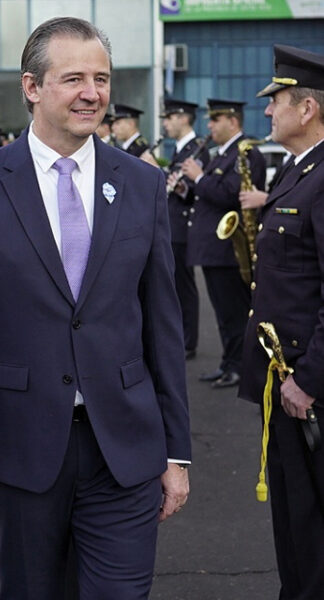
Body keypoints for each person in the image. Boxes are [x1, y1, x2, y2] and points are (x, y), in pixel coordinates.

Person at [0, 17, 191, 598]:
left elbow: (163, 329)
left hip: (124, 446)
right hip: (19, 449)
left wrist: (177, 451)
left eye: (100, 78)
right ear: (32, 87)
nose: (92, 93)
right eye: (73, 78)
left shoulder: (142, 186)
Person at [238, 44, 324, 600]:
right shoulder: (301, 172)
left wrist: (311, 379)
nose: (268, 112)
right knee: (296, 516)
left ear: (308, 108)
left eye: (278, 102)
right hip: (285, 376)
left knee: (314, 522)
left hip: (307, 385)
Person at [180, 99, 266, 388]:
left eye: (215, 120)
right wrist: (186, 185)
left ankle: (240, 367)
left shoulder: (247, 153)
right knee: (223, 314)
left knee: (235, 314)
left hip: (229, 250)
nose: (209, 125)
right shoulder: (222, 154)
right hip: (213, 248)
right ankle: (228, 363)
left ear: (233, 121)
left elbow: (232, 194)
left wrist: (199, 177)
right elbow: (207, 193)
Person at [162, 99, 210, 360]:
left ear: (183, 118)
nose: (166, 123)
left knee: (184, 287)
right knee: (175, 287)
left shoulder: (196, 149)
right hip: (173, 226)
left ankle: (189, 341)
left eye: (169, 117)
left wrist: (182, 188)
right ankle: (181, 337)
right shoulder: (180, 149)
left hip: (182, 227)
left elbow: (194, 193)